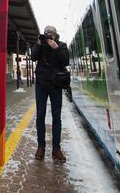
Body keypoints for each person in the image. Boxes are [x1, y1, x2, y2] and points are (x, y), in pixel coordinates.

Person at [32, 25, 69, 162]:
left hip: (56, 85)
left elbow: (66, 61)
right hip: (41, 85)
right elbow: (33, 57)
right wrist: (38, 44)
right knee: (40, 115)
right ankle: (41, 146)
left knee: (56, 116)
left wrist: (56, 48)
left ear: (55, 35)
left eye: (51, 35)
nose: (48, 37)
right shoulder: (40, 45)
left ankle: (56, 149)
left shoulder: (61, 46)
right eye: (46, 34)